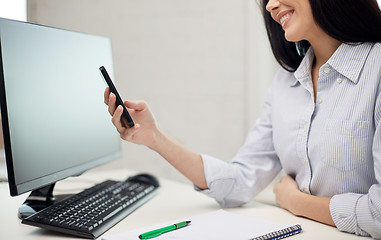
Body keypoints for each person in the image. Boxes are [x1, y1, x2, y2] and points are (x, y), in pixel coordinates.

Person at [104, 0, 381, 238]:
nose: (270, 5)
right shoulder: (286, 83)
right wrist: (155, 138)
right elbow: (239, 181)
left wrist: (298, 202)